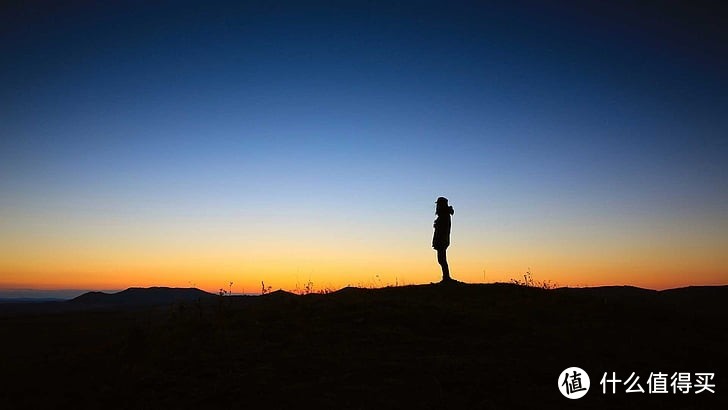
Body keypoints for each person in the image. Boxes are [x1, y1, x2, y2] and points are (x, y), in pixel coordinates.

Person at [432, 196, 454, 282]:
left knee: (442, 259)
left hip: (442, 241)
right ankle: (446, 277)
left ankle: (446, 278)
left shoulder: (444, 215)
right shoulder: (443, 215)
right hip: (442, 240)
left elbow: (442, 230)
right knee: (441, 259)